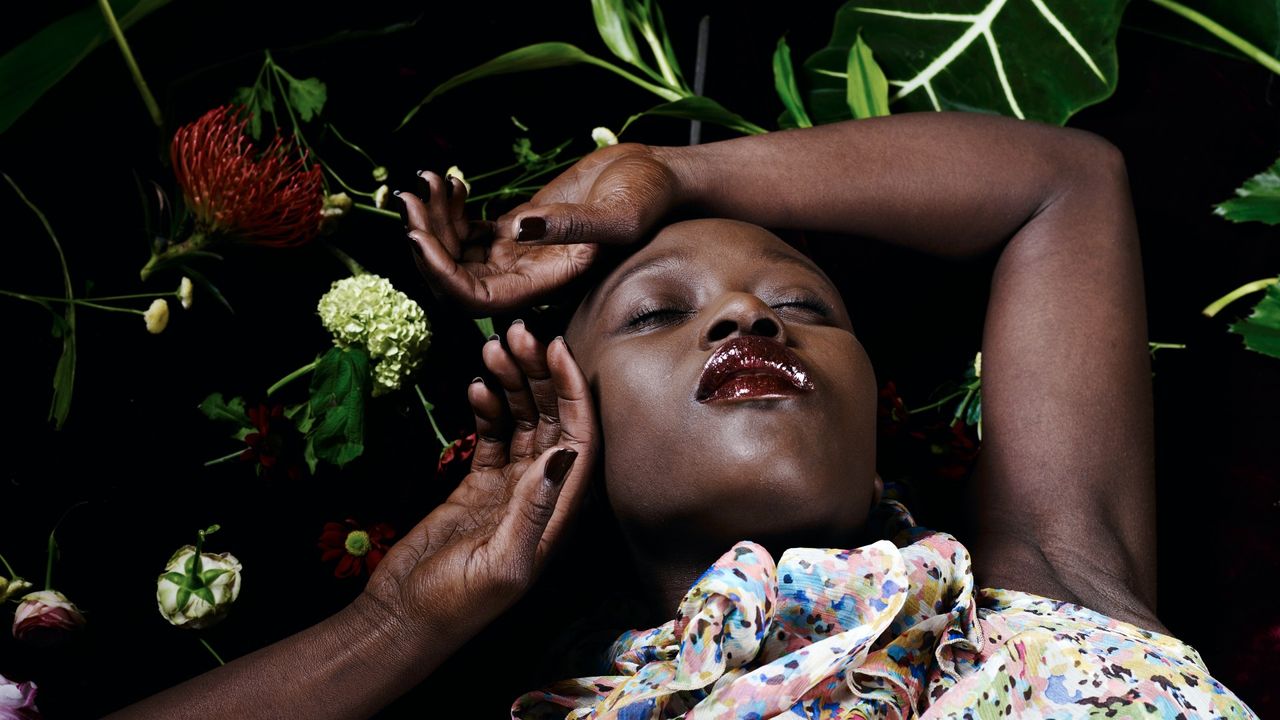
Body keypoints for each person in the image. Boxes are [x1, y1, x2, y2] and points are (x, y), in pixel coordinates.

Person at [107, 113, 1257, 718]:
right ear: (574, 433)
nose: (748, 317)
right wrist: (395, 626)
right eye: (658, 317)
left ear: (876, 415)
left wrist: (672, 176)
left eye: (802, 305)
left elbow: (1062, 184)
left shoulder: (1055, 592)